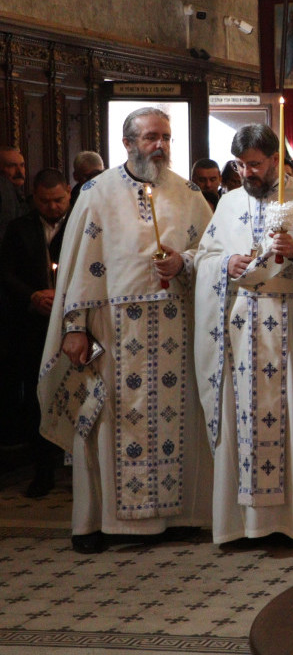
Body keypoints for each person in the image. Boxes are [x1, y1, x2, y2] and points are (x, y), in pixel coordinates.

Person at [37, 107, 213, 554]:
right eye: (151, 137)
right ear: (128, 142)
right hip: (113, 333)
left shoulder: (190, 194)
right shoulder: (97, 192)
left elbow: (210, 253)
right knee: (104, 423)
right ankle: (97, 522)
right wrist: (74, 327)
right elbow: (80, 264)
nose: (160, 145)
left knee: (178, 422)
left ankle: (178, 517)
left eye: (166, 137)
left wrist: (183, 263)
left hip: (176, 330)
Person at [193, 124, 293, 545]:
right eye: (240, 165)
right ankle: (242, 526)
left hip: (292, 332)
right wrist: (225, 264)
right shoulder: (227, 203)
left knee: (292, 422)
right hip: (240, 334)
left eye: (255, 164)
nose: (247, 172)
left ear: (276, 160)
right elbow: (205, 258)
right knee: (239, 424)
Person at [2, 169, 70, 497]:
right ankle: (42, 470)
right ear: (34, 198)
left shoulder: (83, 225)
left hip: (75, 322)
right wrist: (33, 295)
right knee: (36, 397)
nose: (53, 207)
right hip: (33, 324)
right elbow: (6, 272)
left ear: (68, 194)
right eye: (45, 201)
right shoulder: (19, 228)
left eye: (58, 200)